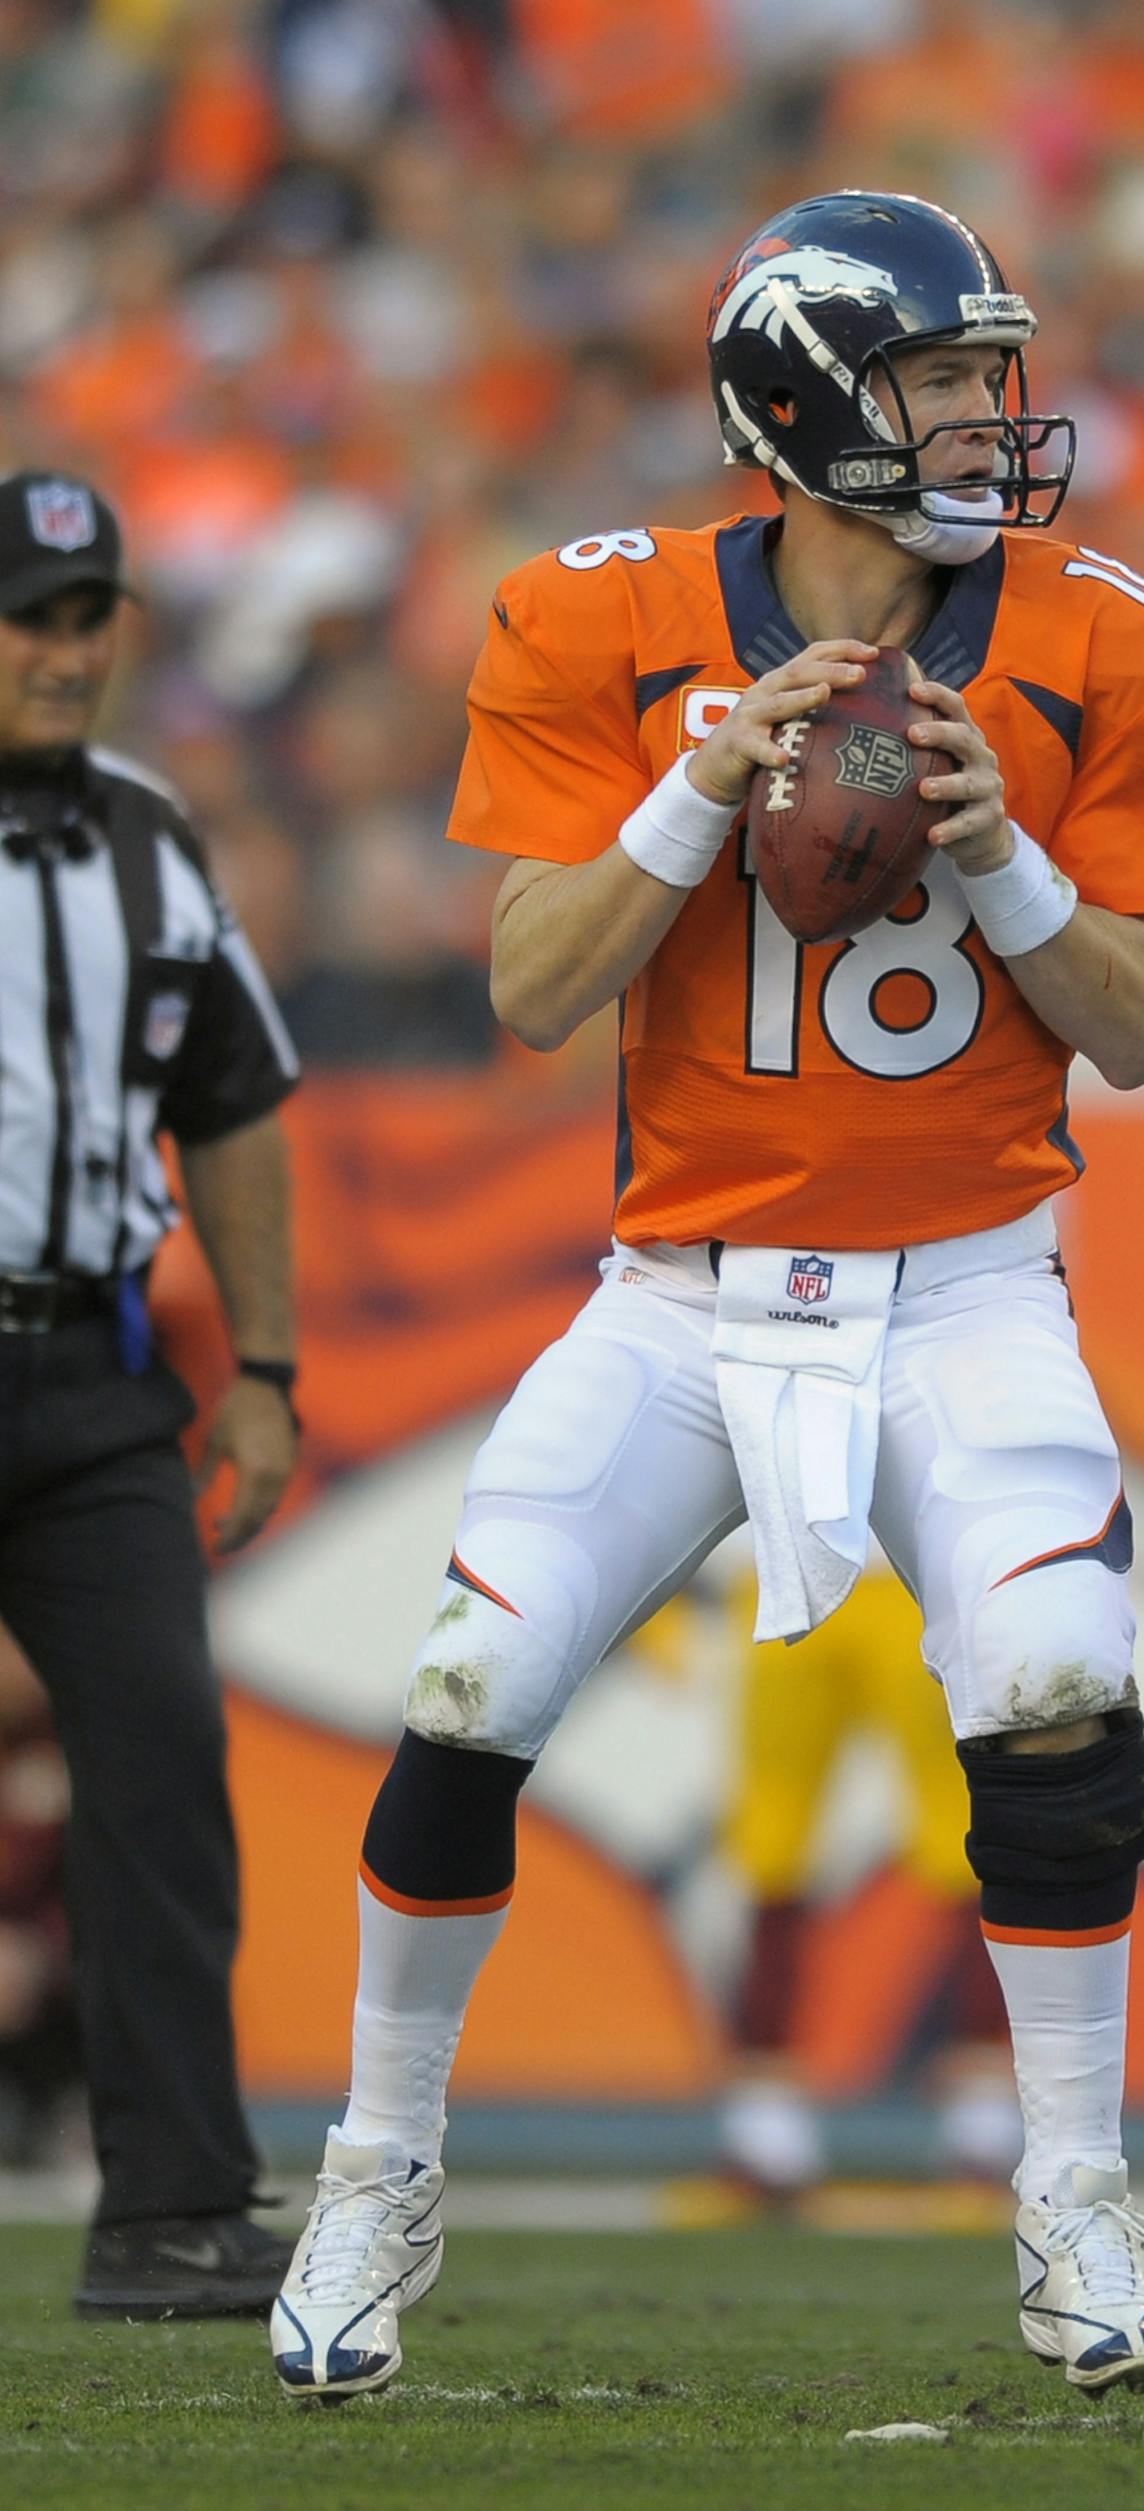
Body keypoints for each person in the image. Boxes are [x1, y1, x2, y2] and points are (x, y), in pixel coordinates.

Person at [272, 191, 1144, 2398]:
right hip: (681, 1295)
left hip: (970, 1286)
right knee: (460, 1689)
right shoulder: (595, 622)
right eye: (942, 379)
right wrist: (699, 788)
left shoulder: (1111, 644)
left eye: (995, 370)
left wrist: (1001, 850)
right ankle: (371, 2164)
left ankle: (1073, 2199)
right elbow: (528, 992)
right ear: (802, 408)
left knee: (1061, 1673)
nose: (993, 415)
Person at [0, 469, 302, 2316]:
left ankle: (174, 2207)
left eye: (87, 614)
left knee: (161, 1773)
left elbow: (239, 1096)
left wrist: (260, 1367)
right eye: (31, 614)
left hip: (91, 1373)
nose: (64, 648)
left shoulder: (147, 835)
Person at [718, 1557, 1020, 2203]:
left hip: (918, 1576)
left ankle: (983, 2113)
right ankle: (765, 2116)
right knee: (771, 1846)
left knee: (968, 1839)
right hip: (781, 1574)